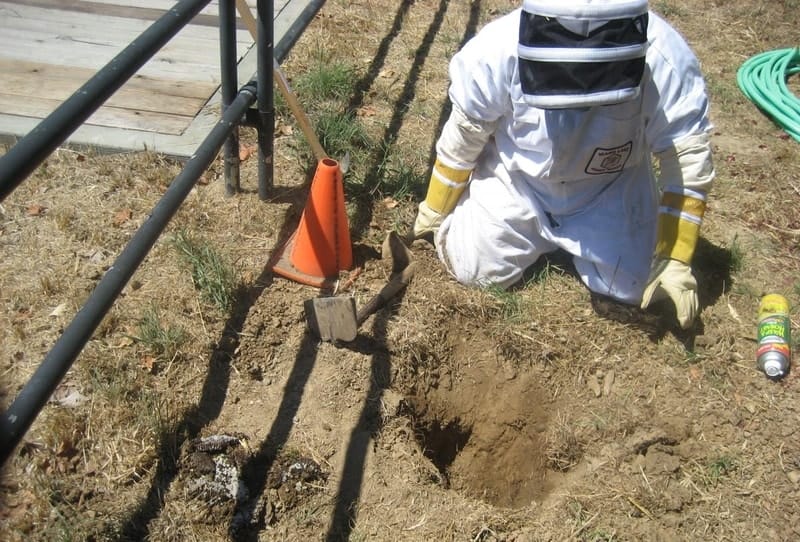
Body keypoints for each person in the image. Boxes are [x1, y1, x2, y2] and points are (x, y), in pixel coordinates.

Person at [412, 0, 715, 329]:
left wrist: (674, 256)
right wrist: (435, 208)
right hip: (517, 183)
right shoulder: (495, 51)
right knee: (469, 266)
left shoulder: (664, 58)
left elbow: (685, 156)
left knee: (636, 287)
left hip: (610, 188)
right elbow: (465, 135)